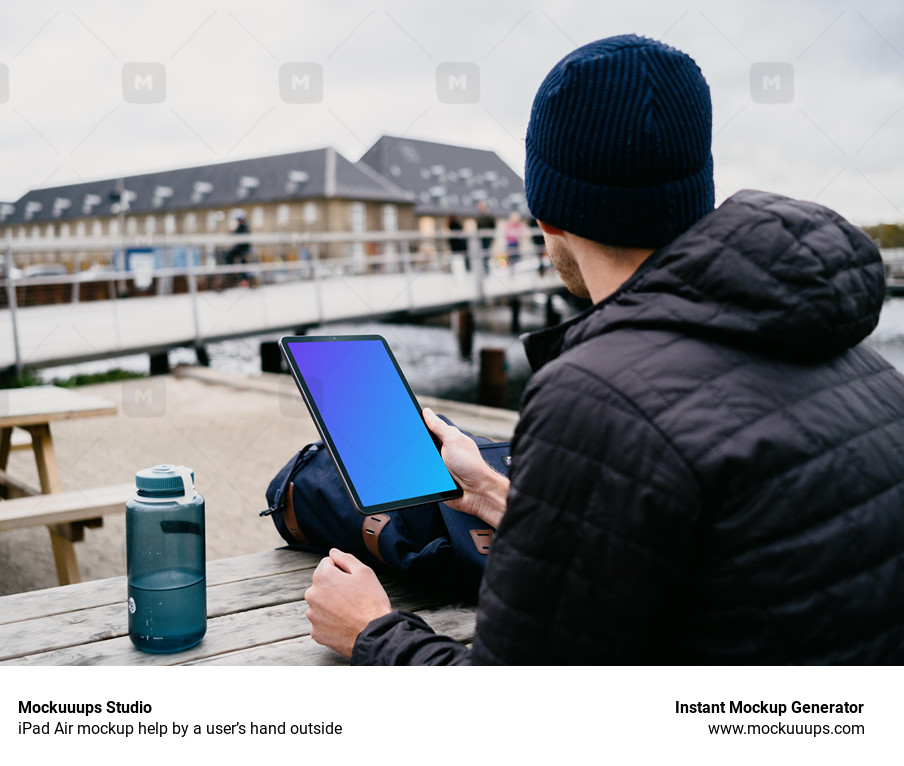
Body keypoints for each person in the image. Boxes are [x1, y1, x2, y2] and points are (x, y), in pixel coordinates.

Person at [304, 34, 904, 665]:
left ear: (549, 214)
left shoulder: (597, 397)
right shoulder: (864, 367)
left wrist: (371, 631)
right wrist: (490, 492)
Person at [475, 201, 495, 271]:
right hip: (481, 238)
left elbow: (493, 227)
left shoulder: (489, 217)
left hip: (488, 237)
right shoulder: (479, 217)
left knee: (486, 253)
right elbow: (478, 227)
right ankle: (483, 268)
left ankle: (486, 269)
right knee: (482, 253)